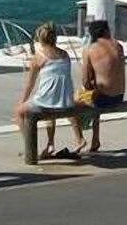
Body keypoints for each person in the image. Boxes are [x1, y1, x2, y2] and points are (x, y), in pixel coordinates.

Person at [14, 22, 86, 158]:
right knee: (55, 98)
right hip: (65, 103)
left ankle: (30, 148)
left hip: (47, 103)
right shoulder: (65, 55)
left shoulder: (38, 58)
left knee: (19, 112)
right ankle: (52, 143)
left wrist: (21, 102)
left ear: (40, 40)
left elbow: (30, 84)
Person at [81, 19, 125, 152]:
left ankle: (80, 138)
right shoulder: (119, 46)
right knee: (95, 93)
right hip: (119, 96)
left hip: (103, 98)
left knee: (74, 101)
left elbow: (85, 81)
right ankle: (95, 139)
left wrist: (91, 85)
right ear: (106, 31)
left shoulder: (89, 50)